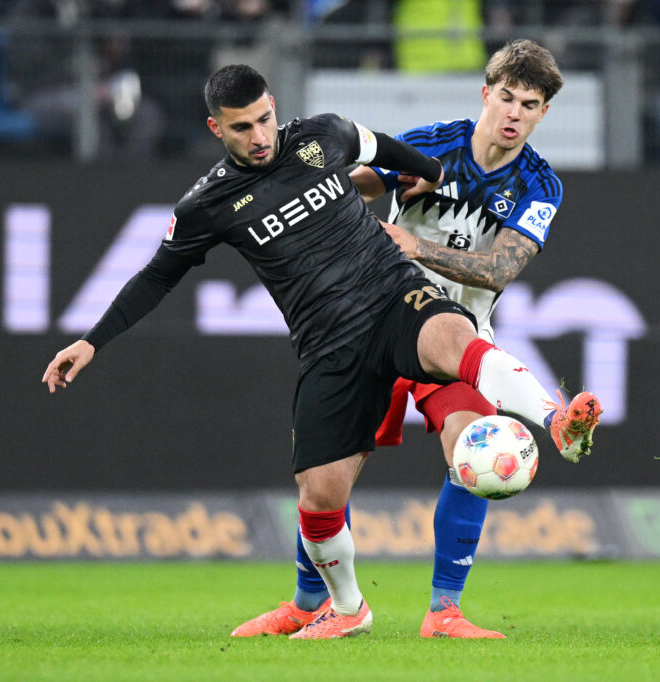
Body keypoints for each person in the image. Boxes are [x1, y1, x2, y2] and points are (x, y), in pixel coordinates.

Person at [42, 63, 602, 639]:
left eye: (265, 119)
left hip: (397, 297)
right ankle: (337, 606)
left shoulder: (320, 135)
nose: (260, 137)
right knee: (319, 492)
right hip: (331, 342)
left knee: (464, 373)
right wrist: (92, 339)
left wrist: (424, 176)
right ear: (217, 128)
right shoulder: (206, 205)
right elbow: (156, 275)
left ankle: (551, 427)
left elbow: (378, 147)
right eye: (243, 128)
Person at [230, 39, 592, 640]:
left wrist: (416, 244)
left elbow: (500, 269)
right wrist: (383, 185)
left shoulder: (540, 187)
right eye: (505, 97)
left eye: (529, 104)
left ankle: (443, 612)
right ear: (486, 93)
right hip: (373, 321)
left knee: (472, 449)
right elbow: (349, 187)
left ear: (543, 113)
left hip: (452, 341)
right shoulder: (434, 144)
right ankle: (306, 604)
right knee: (327, 477)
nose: (513, 113)